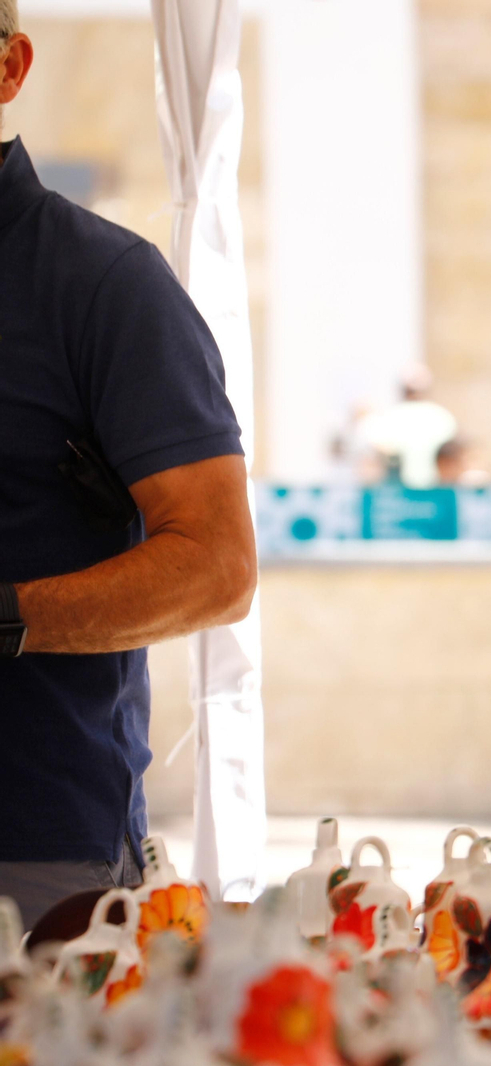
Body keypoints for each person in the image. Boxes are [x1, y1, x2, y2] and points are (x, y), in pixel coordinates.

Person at [0, 10, 255, 927]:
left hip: (32, 848)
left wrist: (5, 612)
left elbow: (217, 570)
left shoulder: (104, 284)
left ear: (10, 67)